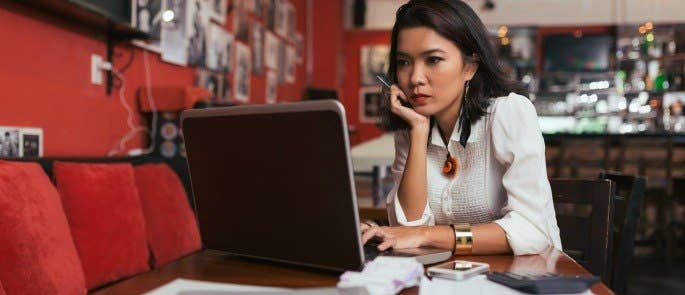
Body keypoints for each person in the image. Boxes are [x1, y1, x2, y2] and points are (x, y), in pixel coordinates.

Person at [360, 0, 562, 256]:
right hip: (453, 276)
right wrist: (419, 132)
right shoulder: (411, 128)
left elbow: (532, 232)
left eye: (433, 60)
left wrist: (427, 235)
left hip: (528, 278)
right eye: (403, 62)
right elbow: (407, 228)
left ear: (469, 67)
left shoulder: (508, 113)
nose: (414, 78)